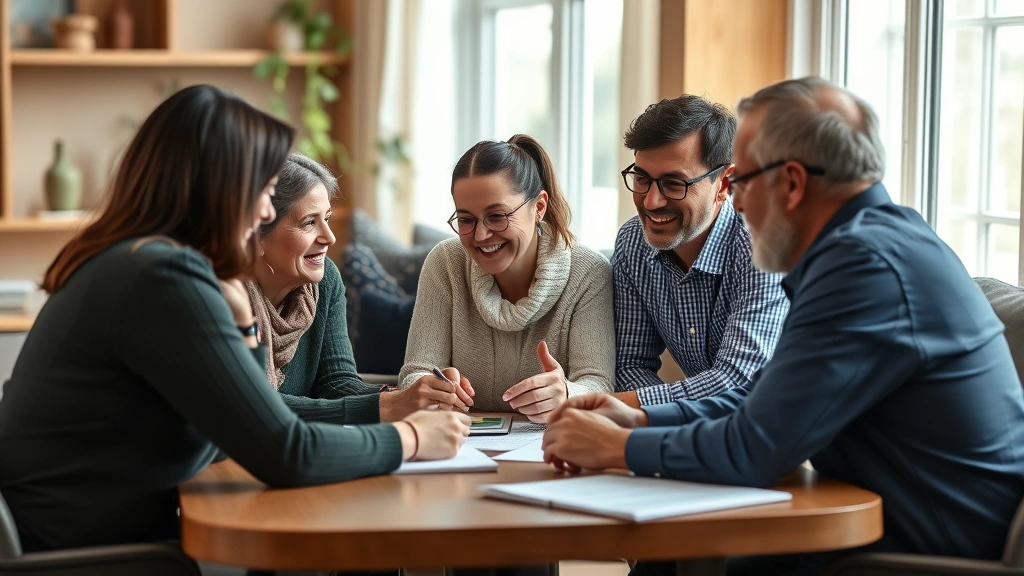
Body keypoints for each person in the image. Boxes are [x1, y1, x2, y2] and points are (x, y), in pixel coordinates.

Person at [542, 77, 1024, 574]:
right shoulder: (863, 246)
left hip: (935, 551)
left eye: (744, 182)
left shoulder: (864, 265)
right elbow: (765, 404)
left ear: (792, 182)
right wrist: (639, 420)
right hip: (889, 520)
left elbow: (757, 447)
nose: (741, 203)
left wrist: (618, 446)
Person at [0, 85, 469, 555]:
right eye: (262, 192)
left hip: (84, 535)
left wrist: (244, 324)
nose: (266, 211)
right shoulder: (162, 276)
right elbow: (285, 452)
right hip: (88, 554)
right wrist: (409, 437)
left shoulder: (137, 261)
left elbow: (241, 422)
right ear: (217, 190)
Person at [399, 134, 614, 423]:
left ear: (539, 207)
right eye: (466, 220)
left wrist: (566, 394)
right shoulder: (445, 263)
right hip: (458, 444)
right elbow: (415, 373)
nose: (480, 235)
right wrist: (433, 391)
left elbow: (598, 384)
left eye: (497, 216)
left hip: (548, 448)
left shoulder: (589, 272)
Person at [248, 153, 461, 424]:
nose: (329, 237)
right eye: (309, 222)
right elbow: (250, 406)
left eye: (327, 217)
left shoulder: (324, 282)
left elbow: (337, 383)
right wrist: (386, 407)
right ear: (258, 232)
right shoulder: (226, 296)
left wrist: (411, 396)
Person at [612, 95, 788, 408]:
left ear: (724, 183)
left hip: (788, 438)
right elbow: (630, 365)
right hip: (705, 434)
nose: (651, 202)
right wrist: (644, 418)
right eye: (641, 178)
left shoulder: (763, 246)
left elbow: (738, 381)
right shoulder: (632, 244)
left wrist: (627, 408)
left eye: (674, 183)